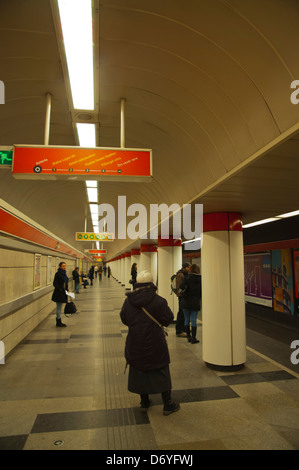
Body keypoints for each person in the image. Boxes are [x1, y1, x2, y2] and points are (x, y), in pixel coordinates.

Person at [120, 270, 180, 416]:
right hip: (155, 343)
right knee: (161, 370)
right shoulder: (159, 301)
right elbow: (168, 319)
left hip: (135, 341)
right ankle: (167, 404)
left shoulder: (128, 301)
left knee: (139, 369)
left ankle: (145, 402)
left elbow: (124, 318)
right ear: (152, 283)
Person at [180, 263, 202, 344]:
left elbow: (181, 287)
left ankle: (188, 337)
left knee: (186, 319)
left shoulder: (187, 278)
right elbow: (201, 292)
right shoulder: (200, 279)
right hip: (195, 302)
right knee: (193, 320)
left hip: (185, 301)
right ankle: (193, 338)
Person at [175, 262, 191, 337]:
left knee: (185, 313)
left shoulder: (185, 274)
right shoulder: (180, 275)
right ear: (185, 267)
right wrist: (181, 294)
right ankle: (179, 330)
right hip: (182, 296)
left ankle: (184, 328)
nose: (189, 268)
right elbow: (179, 287)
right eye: (188, 267)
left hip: (185, 296)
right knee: (181, 313)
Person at [51, 261, 68, 327]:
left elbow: (65, 283)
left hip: (63, 292)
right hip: (58, 293)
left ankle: (59, 320)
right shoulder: (58, 274)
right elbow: (55, 284)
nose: (64, 267)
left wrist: (67, 290)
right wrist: (60, 289)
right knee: (59, 307)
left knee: (60, 307)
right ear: (60, 266)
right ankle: (58, 321)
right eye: (63, 266)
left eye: (65, 266)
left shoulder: (64, 274)